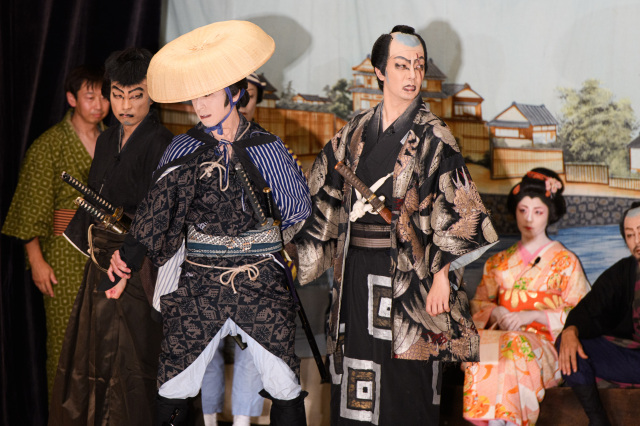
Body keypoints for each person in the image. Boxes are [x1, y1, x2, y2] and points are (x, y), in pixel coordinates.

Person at [106, 21, 312, 426]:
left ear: (234, 93)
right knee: (173, 387)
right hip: (199, 282)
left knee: (284, 383)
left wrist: (265, 244)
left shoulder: (267, 146)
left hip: (260, 283)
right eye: (193, 97)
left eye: (209, 93)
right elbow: (154, 214)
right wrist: (126, 261)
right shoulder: (184, 148)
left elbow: (297, 210)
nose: (199, 105)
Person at [294, 25, 498, 425]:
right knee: (355, 376)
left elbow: (456, 212)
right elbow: (322, 199)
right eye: (402, 65)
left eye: (419, 66)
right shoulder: (351, 134)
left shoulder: (436, 137)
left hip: (411, 278)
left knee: (410, 382)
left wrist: (442, 276)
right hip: (356, 273)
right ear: (380, 71)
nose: (412, 75)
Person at [48, 48, 173, 425]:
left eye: (136, 95)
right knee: (93, 352)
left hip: (138, 264)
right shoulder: (107, 141)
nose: (125, 105)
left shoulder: (164, 142)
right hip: (98, 260)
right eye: (117, 94)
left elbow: (161, 213)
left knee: (132, 359)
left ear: (152, 94)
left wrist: (131, 255)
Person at [2, 65, 109, 394]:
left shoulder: (114, 142)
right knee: (66, 346)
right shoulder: (48, 146)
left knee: (106, 349)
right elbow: (30, 208)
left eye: (104, 96)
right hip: (63, 254)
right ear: (71, 99)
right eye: (90, 96)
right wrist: (36, 261)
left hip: (108, 255)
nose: (99, 104)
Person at [463, 168, 590, 425]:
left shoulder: (565, 262)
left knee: (515, 344)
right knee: (478, 342)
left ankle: (508, 421)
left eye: (538, 211)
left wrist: (533, 315)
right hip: (505, 339)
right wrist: (496, 312)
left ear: (549, 214)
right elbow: (480, 303)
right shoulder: (498, 261)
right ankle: (491, 420)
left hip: (546, 347)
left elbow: (583, 312)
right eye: (523, 210)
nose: (529, 218)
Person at [200, 72, 268, 426]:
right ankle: (209, 419)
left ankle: (242, 421)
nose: (242, 104)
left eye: (250, 97)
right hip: (206, 259)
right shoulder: (196, 144)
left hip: (252, 259)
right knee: (205, 349)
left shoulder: (265, 146)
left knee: (253, 346)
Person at [556, 201, 640, 426]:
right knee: (567, 343)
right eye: (630, 235)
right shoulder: (623, 271)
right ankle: (598, 420)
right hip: (631, 359)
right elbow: (590, 309)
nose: (637, 242)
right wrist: (572, 330)